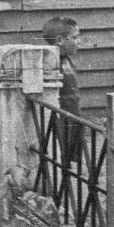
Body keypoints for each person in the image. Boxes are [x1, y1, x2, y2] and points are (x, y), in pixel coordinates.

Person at [41, 16, 84, 165]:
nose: (79, 41)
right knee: (59, 160)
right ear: (60, 40)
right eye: (75, 37)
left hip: (73, 117)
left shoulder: (67, 59)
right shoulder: (50, 64)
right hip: (60, 120)